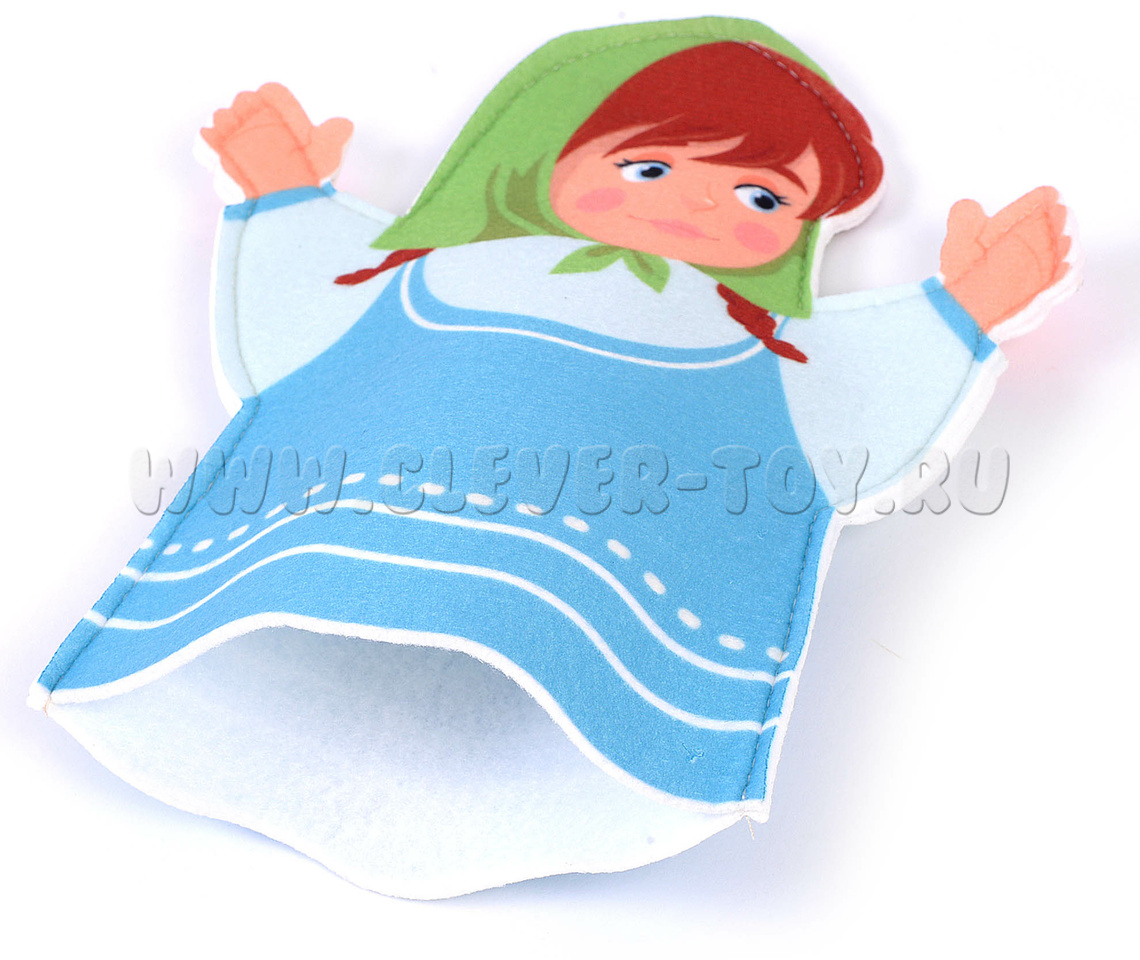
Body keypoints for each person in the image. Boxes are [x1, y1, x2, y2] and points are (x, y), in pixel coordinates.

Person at [34, 17, 1078, 897]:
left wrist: (968, 311)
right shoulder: (418, 274)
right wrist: (281, 196)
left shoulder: (757, 346)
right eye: (649, 167)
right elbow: (316, 318)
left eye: (763, 198)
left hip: (614, 630)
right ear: (542, 158)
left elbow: (838, 412)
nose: (700, 205)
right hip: (301, 559)